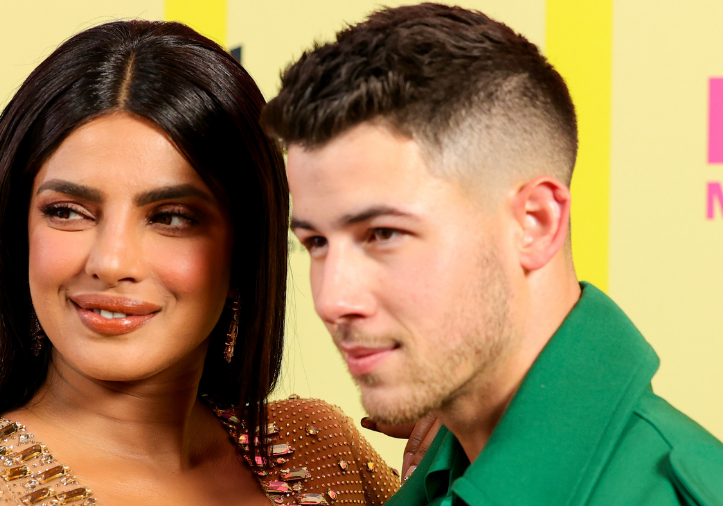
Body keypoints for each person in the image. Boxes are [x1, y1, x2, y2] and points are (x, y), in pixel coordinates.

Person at [0, 20, 400, 506]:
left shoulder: (322, 452)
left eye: (171, 218)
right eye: (67, 212)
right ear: (16, 234)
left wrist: (448, 452)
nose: (111, 260)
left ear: (245, 250)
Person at [261, 3, 723, 505]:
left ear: (535, 223)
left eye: (383, 234)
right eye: (316, 242)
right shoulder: (438, 476)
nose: (332, 300)